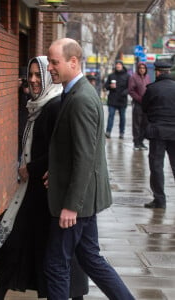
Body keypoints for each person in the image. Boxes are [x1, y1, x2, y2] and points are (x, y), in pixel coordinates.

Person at [0, 56, 88, 300]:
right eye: (32, 75)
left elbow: (59, 149)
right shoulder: (38, 105)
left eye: (39, 75)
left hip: (46, 193)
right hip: (33, 192)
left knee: (47, 253)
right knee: (20, 248)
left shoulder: (55, 105)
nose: (34, 80)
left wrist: (31, 168)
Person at [44, 38, 135, 300]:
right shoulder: (75, 92)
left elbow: (85, 156)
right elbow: (77, 151)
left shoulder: (81, 98)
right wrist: (57, 170)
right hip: (84, 198)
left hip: (77, 203)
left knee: (56, 264)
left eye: (54, 62)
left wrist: (71, 205)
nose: (50, 67)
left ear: (73, 62)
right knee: (90, 258)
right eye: (49, 61)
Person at [142, 61, 175, 209]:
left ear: (157, 72)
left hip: (157, 132)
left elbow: (145, 108)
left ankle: (160, 200)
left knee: (156, 167)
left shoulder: (152, 89)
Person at [104, 60, 130, 139]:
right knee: (111, 116)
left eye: (119, 65)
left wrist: (124, 93)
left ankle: (122, 132)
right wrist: (110, 86)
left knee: (122, 117)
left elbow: (130, 87)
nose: (118, 66)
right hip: (112, 99)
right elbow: (105, 86)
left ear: (122, 66)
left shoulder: (127, 76)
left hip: (122, 99)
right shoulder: (111, 75)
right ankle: (108, 132)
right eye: (117, 65)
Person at [128, 62, 151, 150]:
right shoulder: (133, 77)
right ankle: (136, 142)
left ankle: (141, 141)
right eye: (140, 68)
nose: (142, 69)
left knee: (145, 123)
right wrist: (139, 98)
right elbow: (131, 90)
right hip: (138, 103)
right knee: (137, 123)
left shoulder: (147, 77)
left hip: (146, 104)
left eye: (144, 68)